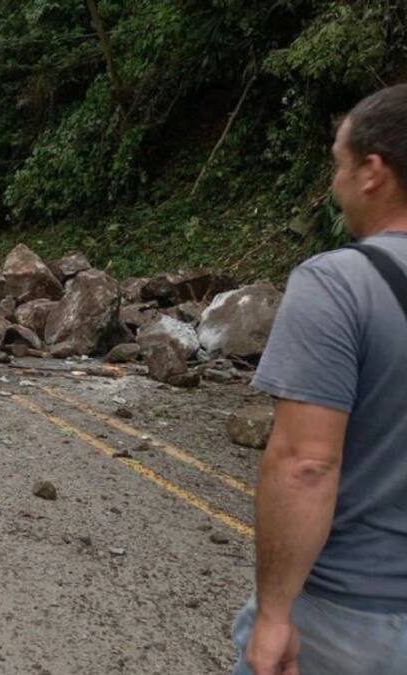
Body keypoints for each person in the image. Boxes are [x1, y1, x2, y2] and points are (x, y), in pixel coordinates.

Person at [232, 83, 407, 675]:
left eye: (338, 164)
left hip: (349, 617)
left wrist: (276, 614)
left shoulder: (339, 283)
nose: (333, 183)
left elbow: (306, 463)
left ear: (372, 172)